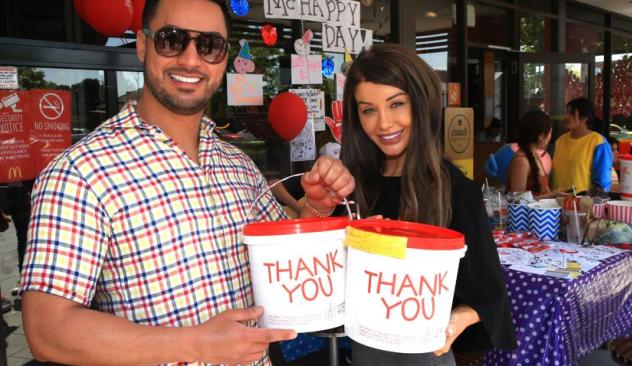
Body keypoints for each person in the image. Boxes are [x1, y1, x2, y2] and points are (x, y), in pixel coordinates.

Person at [18, 1, 355, 365]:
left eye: (210, 45)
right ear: (143, 46)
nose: (192, 59)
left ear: (224, 59)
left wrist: (315, 207)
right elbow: (48, 330)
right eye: (171, 39)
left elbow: (282, 262)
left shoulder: (237, 166)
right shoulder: (80, 172)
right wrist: (196, 343)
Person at [340, 43, 516, 366]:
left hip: (426, 356)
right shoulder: (354, 186)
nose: (384, 123)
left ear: (421, 103)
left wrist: (456, 320)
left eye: (396, 105)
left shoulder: (454, 190)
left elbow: (490, 296)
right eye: (368, 110)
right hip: (365, 353)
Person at [552, 97, 612, 194]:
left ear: (584, 117)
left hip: (582, 204)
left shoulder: (598, 142)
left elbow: (602, 182)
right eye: (566, 112)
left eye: (571, 113)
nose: (567, 116)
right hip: (556, 202)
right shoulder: (560, 140)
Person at [506, 111, 566, 198]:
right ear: (541, 136)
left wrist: (555, 194)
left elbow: (544, 191)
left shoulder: (534, 155)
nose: (550, 136)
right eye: (550, 132)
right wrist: (551, 195)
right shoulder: (521, 161)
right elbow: (517, 200)